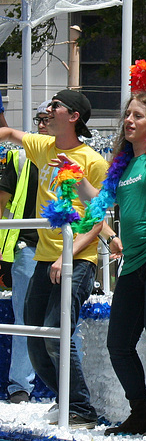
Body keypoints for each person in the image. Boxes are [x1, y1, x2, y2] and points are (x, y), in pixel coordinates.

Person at [54, 93, 146, 437]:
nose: (129, 120)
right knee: (118, 344)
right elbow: (99, 200)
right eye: (127, 115)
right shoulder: (124, 164)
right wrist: (72, 174)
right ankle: (142, 412)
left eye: (138, 115)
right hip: (133, 262)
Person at [0, 90, 108, 428]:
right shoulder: (43, 147)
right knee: (33, 335)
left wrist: (68, 255)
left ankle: (82, 408)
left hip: (77, 257)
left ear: (73, 116)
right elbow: (7, 133)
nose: (47, 111)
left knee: (53, 331)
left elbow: (99, 220)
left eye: (54, 106)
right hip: (46, 259)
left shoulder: (93, 161)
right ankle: (68, 399)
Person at [0, 100, 50, 403]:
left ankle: (67, 392)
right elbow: (2, 202)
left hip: (64, 251)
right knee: (24, 318)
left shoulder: (73, 158)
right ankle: (20, 387)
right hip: (27, 250)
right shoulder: (18, 159)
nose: (42, 124)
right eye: (39, 119)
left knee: (63, 322)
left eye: (47, 118)